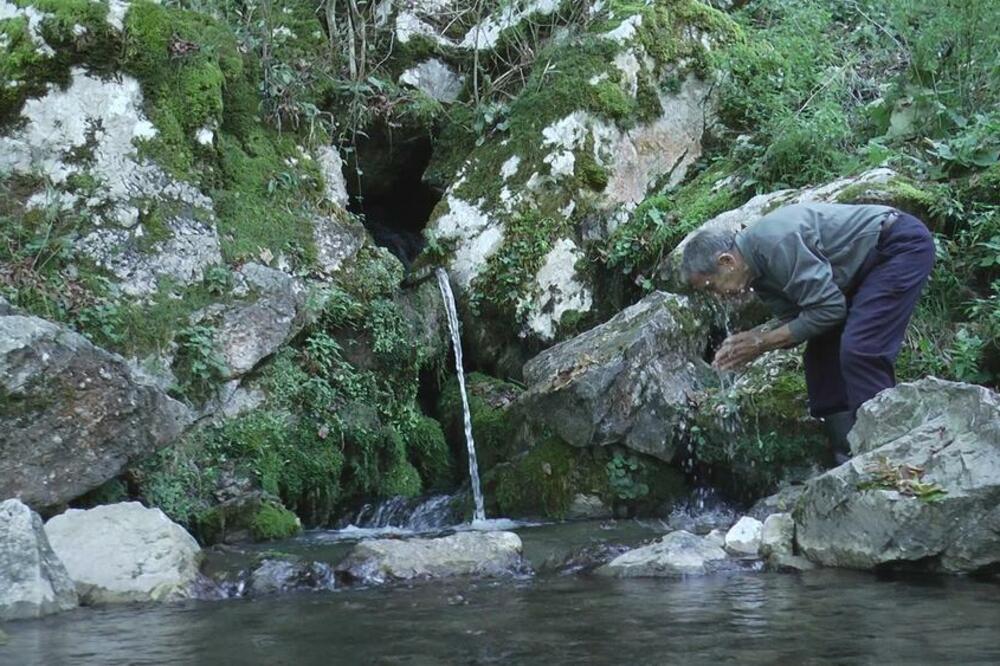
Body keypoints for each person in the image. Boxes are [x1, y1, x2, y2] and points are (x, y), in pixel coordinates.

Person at [681, 202, 935, 463]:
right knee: (821, 357)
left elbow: (829, 310)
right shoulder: (756, 272)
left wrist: (761, 342)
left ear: (727, 261)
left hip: (896, 247)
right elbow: (800, 320)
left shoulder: (775, 244)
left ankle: (888, 455)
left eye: (712, 287)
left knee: (861, 349)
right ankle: (847, 456)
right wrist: (749, 347)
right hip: (857, 272)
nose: (717, 296)